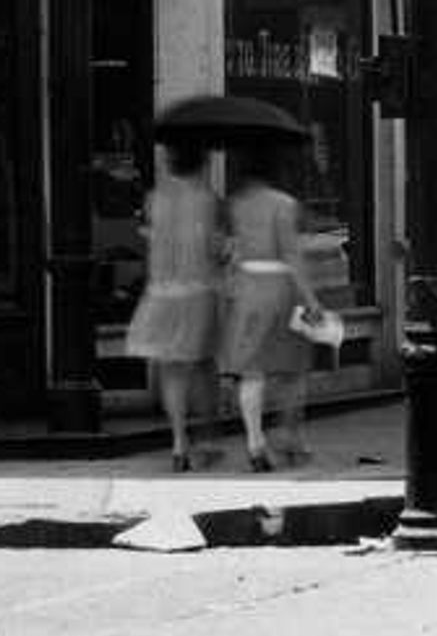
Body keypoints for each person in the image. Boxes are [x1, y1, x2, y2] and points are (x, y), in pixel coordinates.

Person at [214, 142, 317, 477]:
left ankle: (255, 442)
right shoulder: (284, 204)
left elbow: (230, 251)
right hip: (279, 290)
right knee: (291, 369)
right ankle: (290, 437)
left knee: (252, 372)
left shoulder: (237, 205)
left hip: (246, 291)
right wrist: (311, 299)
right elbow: (291, 255)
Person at [125, 134, 224, 472]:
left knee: (172, 371)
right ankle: (209, 438)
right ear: (202, 161)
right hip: (197, 292)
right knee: (205, 365)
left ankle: (179, 441)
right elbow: (214, 249)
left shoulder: (156, 199)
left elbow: (151, 243)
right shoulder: (206, 200)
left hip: (162, 294)